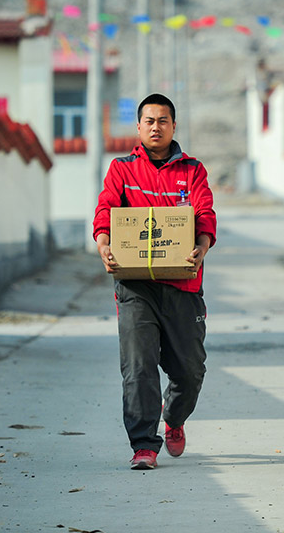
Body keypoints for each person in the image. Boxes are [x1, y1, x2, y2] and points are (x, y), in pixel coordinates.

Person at [93, 93, 217, 470]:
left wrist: (201, 245)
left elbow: (205, 212)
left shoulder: (192, 170)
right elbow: (105, 209)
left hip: (182, 285)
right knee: (138, 365)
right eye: (149, 120)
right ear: (139, 127)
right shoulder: (122, 169)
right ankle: (144, 444)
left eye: (163, 120)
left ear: (174, 126)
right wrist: (103, 242)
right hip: (135, 287)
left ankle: (174, 418)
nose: (156, 127)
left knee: (190, 370)